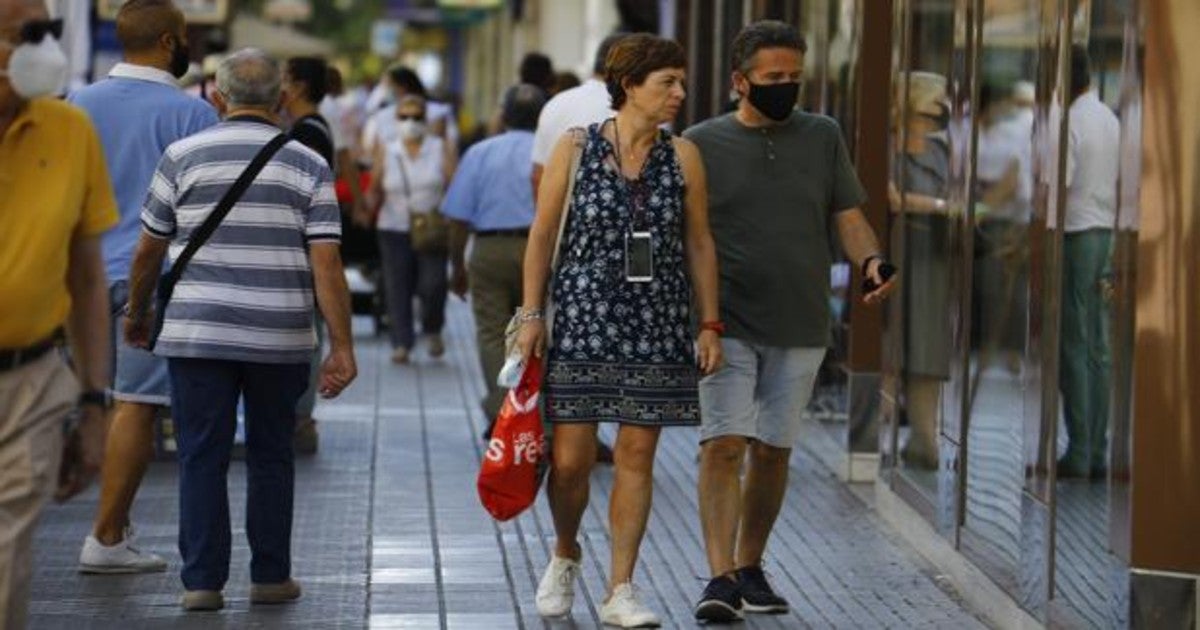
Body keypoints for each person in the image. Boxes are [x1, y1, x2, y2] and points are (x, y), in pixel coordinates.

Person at [124, 48, 357, 611]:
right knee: (272, 453)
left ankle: (202, 582)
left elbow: (150, 248)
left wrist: (137, 313)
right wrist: (342, 347)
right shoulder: (308, 163)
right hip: (279, 337)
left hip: (197, 333)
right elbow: (326, 263)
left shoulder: (181, 156)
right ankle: (271, 575)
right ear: (280, 99)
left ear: (216, 97)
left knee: (200, 454)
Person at [683, 21, 895, 622]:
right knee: (724, 444)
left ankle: (750, 564)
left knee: (773, 451)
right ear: (739, 81)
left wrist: (872, 260)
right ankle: (719, 577)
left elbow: (847, 215)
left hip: (801, 320)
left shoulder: (822, 136)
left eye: (794, 79)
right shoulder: (700, 144)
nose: (785, 88)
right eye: (773, 78)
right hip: (725, 321)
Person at [517, 34, 722, 628]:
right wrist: (532, 315)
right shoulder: (575, 148)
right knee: (572, 459)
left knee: (637, 454)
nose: (679, 94)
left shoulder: (683, 156)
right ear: (629, 85)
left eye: (681, 82)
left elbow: (700, 242)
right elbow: (540, 234)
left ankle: (621, 587)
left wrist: (709, 322)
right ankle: (565, 550)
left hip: (657, 322)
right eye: (668, 83)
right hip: (582, 318)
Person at [67, 0, 218, 573]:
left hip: (78, 277)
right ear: (165, 43)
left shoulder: (75, 106)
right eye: (182, 37)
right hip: (147, 281)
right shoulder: (192, 116)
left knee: (92, 402)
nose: (187, 46)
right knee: (137, 406)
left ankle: (114, 527)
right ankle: (105, 539)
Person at [0, 0, 117, 625]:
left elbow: (87, 274)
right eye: (27, 34)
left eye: (48, 32)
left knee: (7, 555)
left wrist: (95, 402)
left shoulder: (69, 131)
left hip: (32, 377)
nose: (43, 47)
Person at [528, 32, 627, 464]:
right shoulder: (645, 109)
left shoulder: (557, 104)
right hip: (622, 256)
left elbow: (537, 177)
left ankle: (561, 430)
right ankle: (584, 434)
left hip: (564, 247)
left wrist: (551, 229)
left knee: (560, 341)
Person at [443, 83, 547, 425]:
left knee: (492, 332)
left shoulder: (480, 152)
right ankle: (538, 416)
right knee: (536, 328)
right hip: (540, 248)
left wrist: (457, 265)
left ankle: (504, 411)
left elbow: (458, 216)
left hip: (489, 248)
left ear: (503, 115)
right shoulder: (553, 153)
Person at [280, 55, 353, 455]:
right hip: (308, 249)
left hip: (306, 251)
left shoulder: (308, 133)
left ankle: (301, 418)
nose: (280, 86)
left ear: (300, 86)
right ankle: (299, 417)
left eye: (285, 78)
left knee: (308, 337)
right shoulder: (311, 127)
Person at [1057, 45, 1118, 480]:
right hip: (1107, 235)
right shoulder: (1109, 118)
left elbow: (1058, 186)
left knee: (1075, 346)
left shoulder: (1071, 121)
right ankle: (1097, 449)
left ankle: (1078, 451)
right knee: (1099, 348)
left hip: (1076, 234)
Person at [886, 71, 952, 471]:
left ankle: (925, 439)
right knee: (894, 346)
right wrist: (944, 206)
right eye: (935, 100)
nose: (941, 109)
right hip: (899, 251)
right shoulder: (888, 145)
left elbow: (961, 191)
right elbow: (892, 199)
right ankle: (882, 434)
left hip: (935, 256)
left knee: (928, 349)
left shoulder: (940, 150)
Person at [369, 94, 457, 364]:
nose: (410, 122)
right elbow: (375, 186)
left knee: (433, 284)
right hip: (393, 226)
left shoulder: (440, 147)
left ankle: (432, 327)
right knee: (397, 286)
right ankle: (402, 343)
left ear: (426, 119)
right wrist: (364, 208)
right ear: (396, 120)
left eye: (417, 117)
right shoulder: (387, 148)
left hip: (431, 227)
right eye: (404, 116)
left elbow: (454, 185)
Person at [362, 64, 459, 161]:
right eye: (403, 117)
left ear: (403, 86)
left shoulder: (439, 112)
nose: (384, 91)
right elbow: (373, 149)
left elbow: (449, 146)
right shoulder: (382, 115)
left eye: (417, 118)